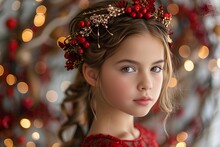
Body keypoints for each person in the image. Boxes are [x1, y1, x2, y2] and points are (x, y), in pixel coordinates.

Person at [58, 0, 174, 146]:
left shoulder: (139, 135)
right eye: (128, 69)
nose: (147, 84)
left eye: (155, 68)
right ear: (92, 74)